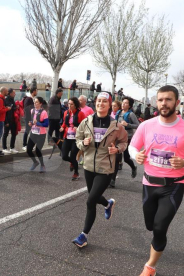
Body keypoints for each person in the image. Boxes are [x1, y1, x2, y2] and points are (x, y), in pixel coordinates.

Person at [129, 85, 184, 276]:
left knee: (159, 227)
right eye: (161, 99)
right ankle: (155, 244)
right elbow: (132, 146)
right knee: (150, 225)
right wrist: (135, 156)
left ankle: (150, 267)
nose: (164, 103)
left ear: (177, 103)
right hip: (149, 183)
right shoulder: (146, 125)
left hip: (173, 186)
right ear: (157, 102)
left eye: (168, 99)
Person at [72, 92, 128, 248]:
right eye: (98, 101)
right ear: (95, 103)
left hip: (105, 168)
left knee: (90, 200)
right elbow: (78, 139)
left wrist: (117, 149)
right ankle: (107, 204)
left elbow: (124, 142)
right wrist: (83, 142)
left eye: (104, 101)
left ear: (109, 105)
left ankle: (83, 236)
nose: (101, 104)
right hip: (88, 166)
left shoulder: (116, 126)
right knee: (94, 197)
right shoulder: (86, 121)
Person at [110, 96, 139, 188]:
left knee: (126, 158)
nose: (123, 104)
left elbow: (138, 125)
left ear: (129, 105)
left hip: (127, 138)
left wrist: (128, 124)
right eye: (123, 102)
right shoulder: (118, 113)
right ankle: (112, 180)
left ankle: (133, 167)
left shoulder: (131, 115)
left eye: (126, 103)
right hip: (117, 138)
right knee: (117, 158)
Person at [60, 97, 86, 180]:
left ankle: (76, 173)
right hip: (67, 137)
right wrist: (62, 127)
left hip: (76, 139)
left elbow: (84, 125)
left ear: (75, 105)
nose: (69, 106)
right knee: (64, 156)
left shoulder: (80, 114)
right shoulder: (66, 112)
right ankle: (72, 162)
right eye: (68, 104)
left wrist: (77, 128)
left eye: (71, 104)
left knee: (73, 155)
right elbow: (65, 122)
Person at [27, 97, 49, 173]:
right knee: (28, 150)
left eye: (36, 102)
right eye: (34, 102)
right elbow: (32, 120)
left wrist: (38, 123)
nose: (35, 103)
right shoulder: (32, 110)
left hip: (41, 134)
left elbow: (46, 124)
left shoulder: (44, 112)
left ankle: (42, 165)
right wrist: (30, 123)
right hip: (33, 133)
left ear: (40, 104)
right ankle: (35, 162)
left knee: (37, 150)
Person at [0, 87, 12, 156]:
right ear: (3, 91)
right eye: (6, 91)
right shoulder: (0, 100)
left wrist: (5, 108)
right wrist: (7, 109)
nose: (7, 93)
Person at [2, 88, 19, 154]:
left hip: (13, 119)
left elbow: (13, 108)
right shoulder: (6, 100)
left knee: (14, 133)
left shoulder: (12, 100)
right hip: (8, 120)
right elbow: (5, 112)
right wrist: (5, 121)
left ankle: (12, 147)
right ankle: (4, 148)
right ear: (10, 93)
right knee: (5, 134)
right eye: (14, 93)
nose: (15, 94)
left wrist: (16, 107)